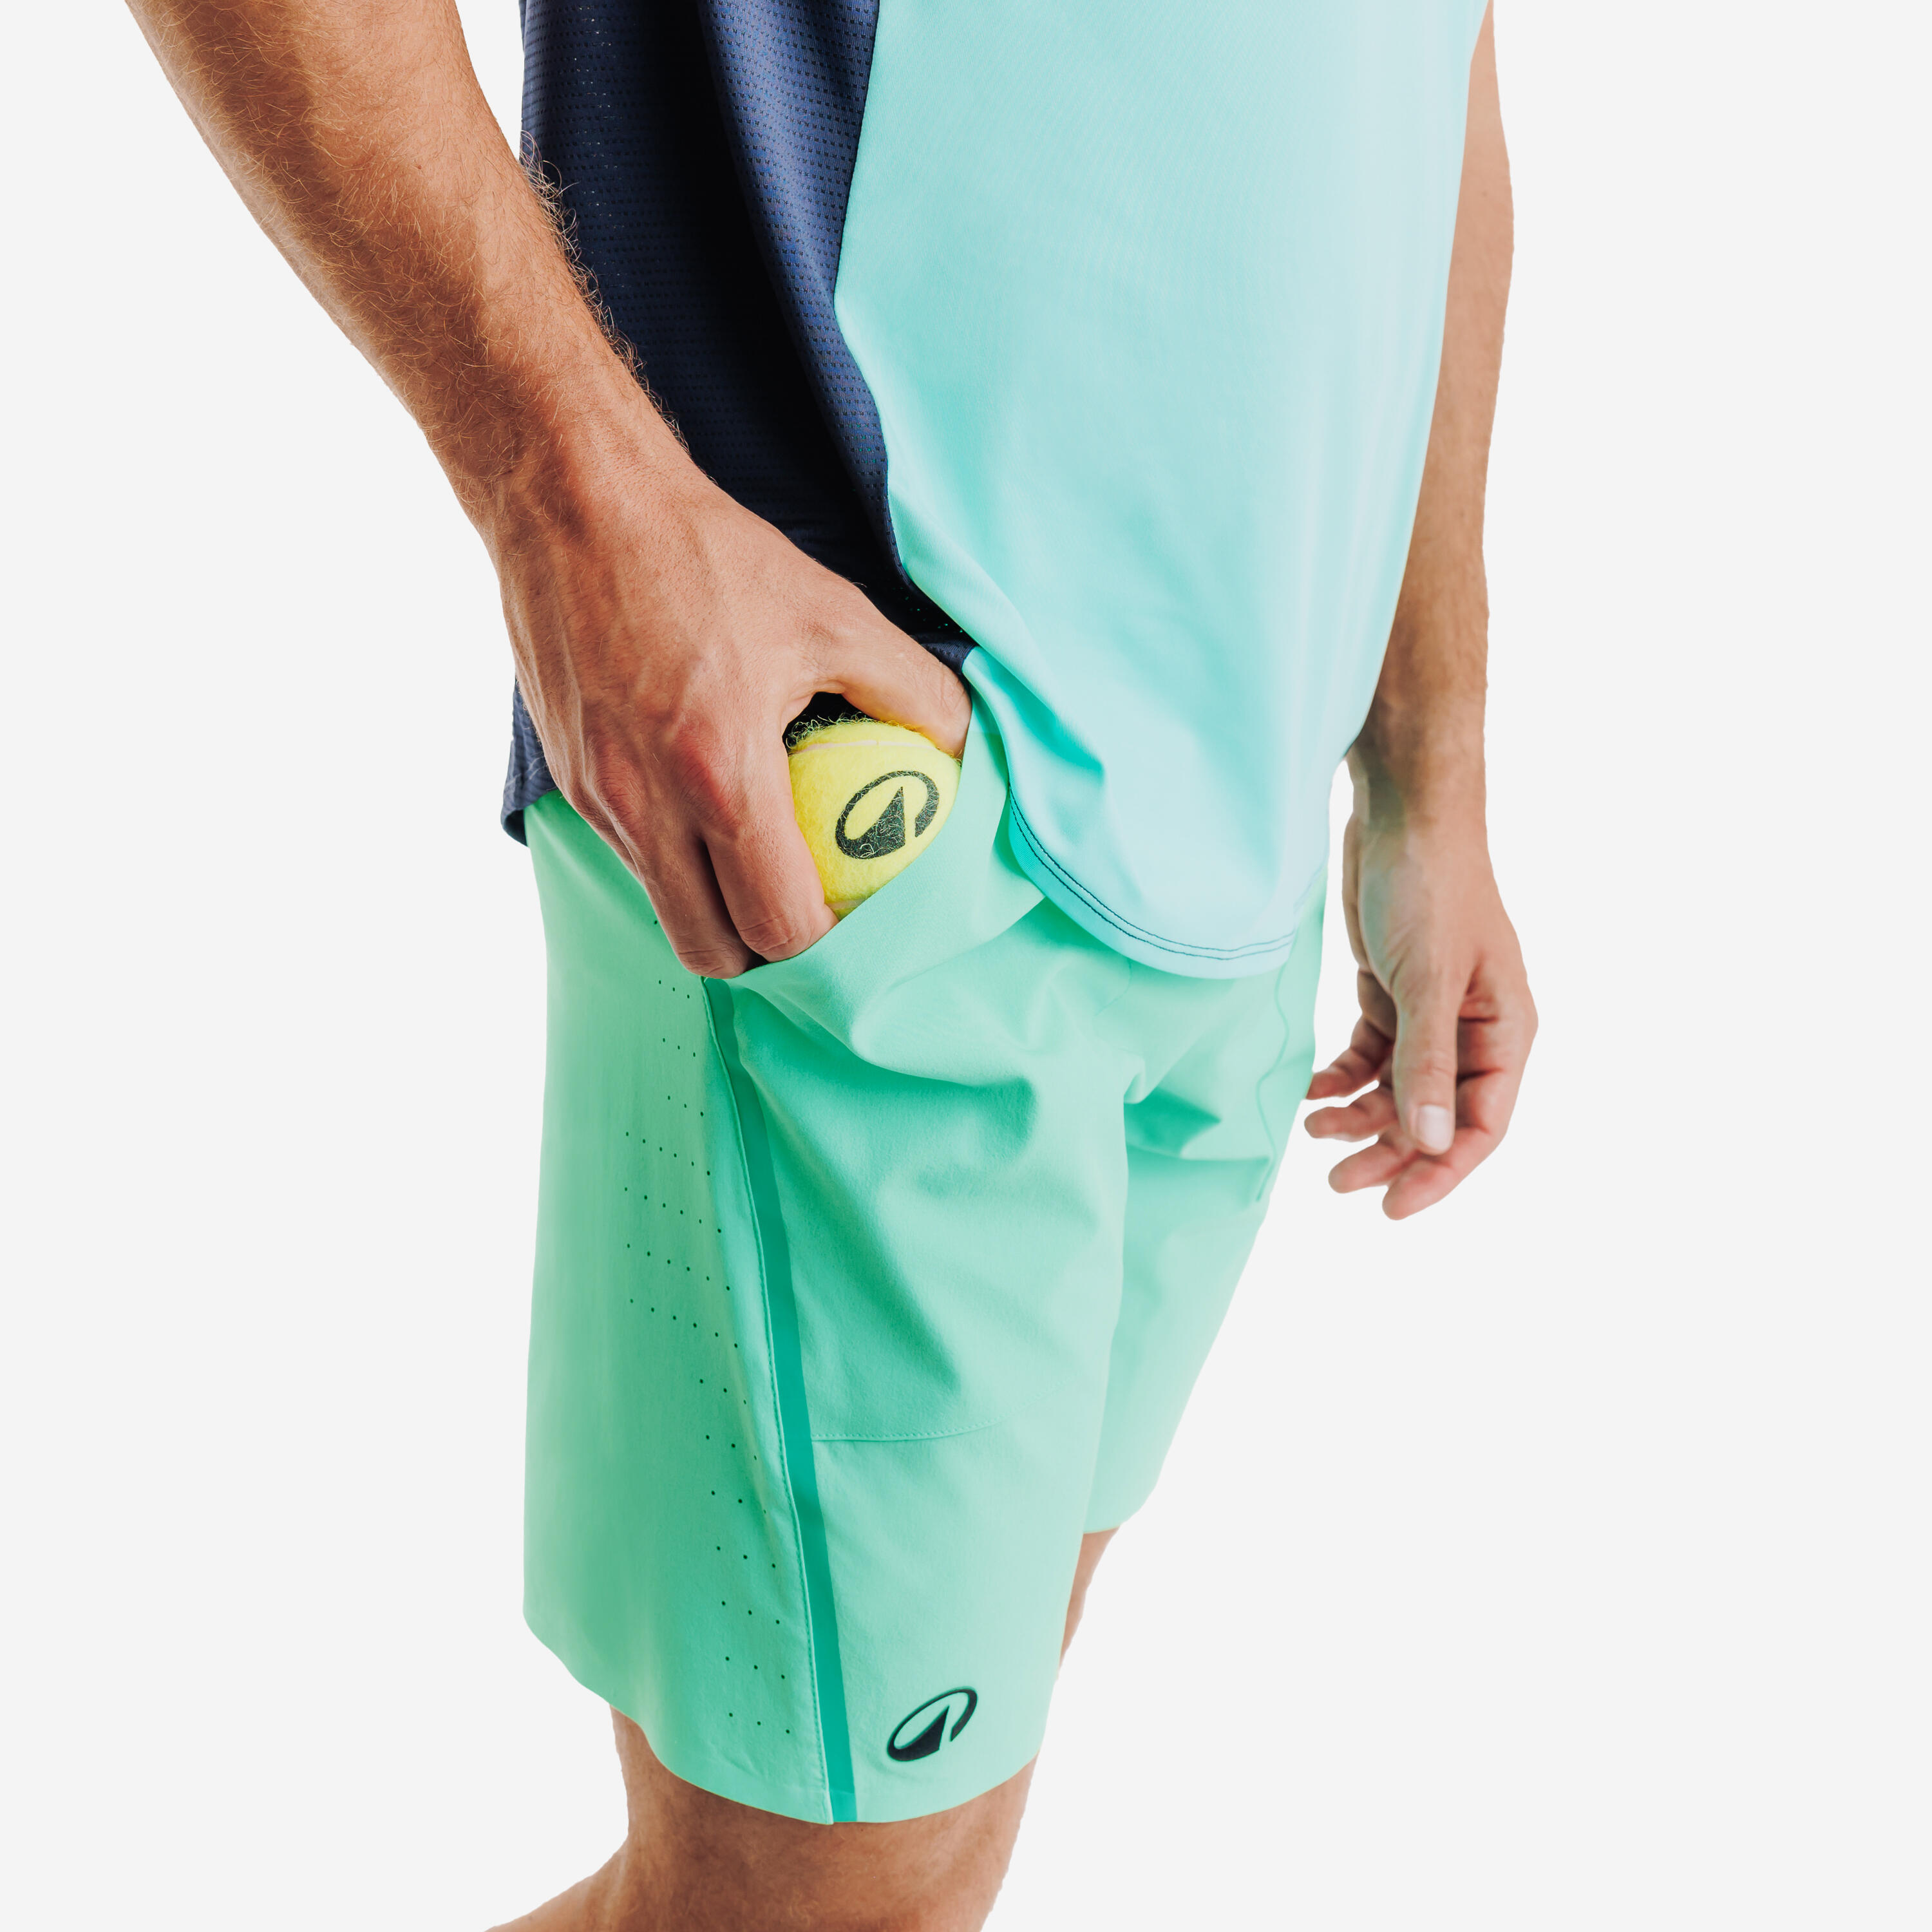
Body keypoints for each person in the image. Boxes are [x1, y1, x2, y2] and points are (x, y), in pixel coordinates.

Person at [126, 1, 1535, 1924]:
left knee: (905, 1843)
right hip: (863, 785)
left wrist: (1430, 767)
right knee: (823, 1892)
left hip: (1230, 831)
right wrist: (575, 501)